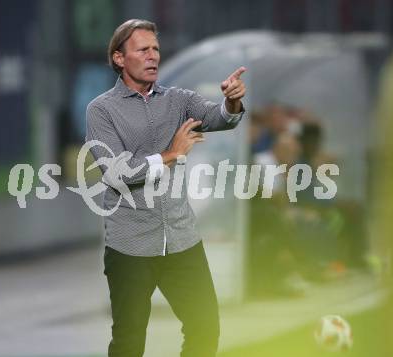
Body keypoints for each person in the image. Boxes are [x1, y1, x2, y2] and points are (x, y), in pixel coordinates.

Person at [86, 19, 246, 357]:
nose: (152, 56)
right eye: (142, 50)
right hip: (130, 246)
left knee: (206, 328)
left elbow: (219, 118)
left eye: (156, 49)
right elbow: (116, 173)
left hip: (181, 240)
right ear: (119, 58)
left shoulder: (178, 100)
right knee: (129, 344)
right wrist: (170, 155)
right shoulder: (101, 110)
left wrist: (231, 101)